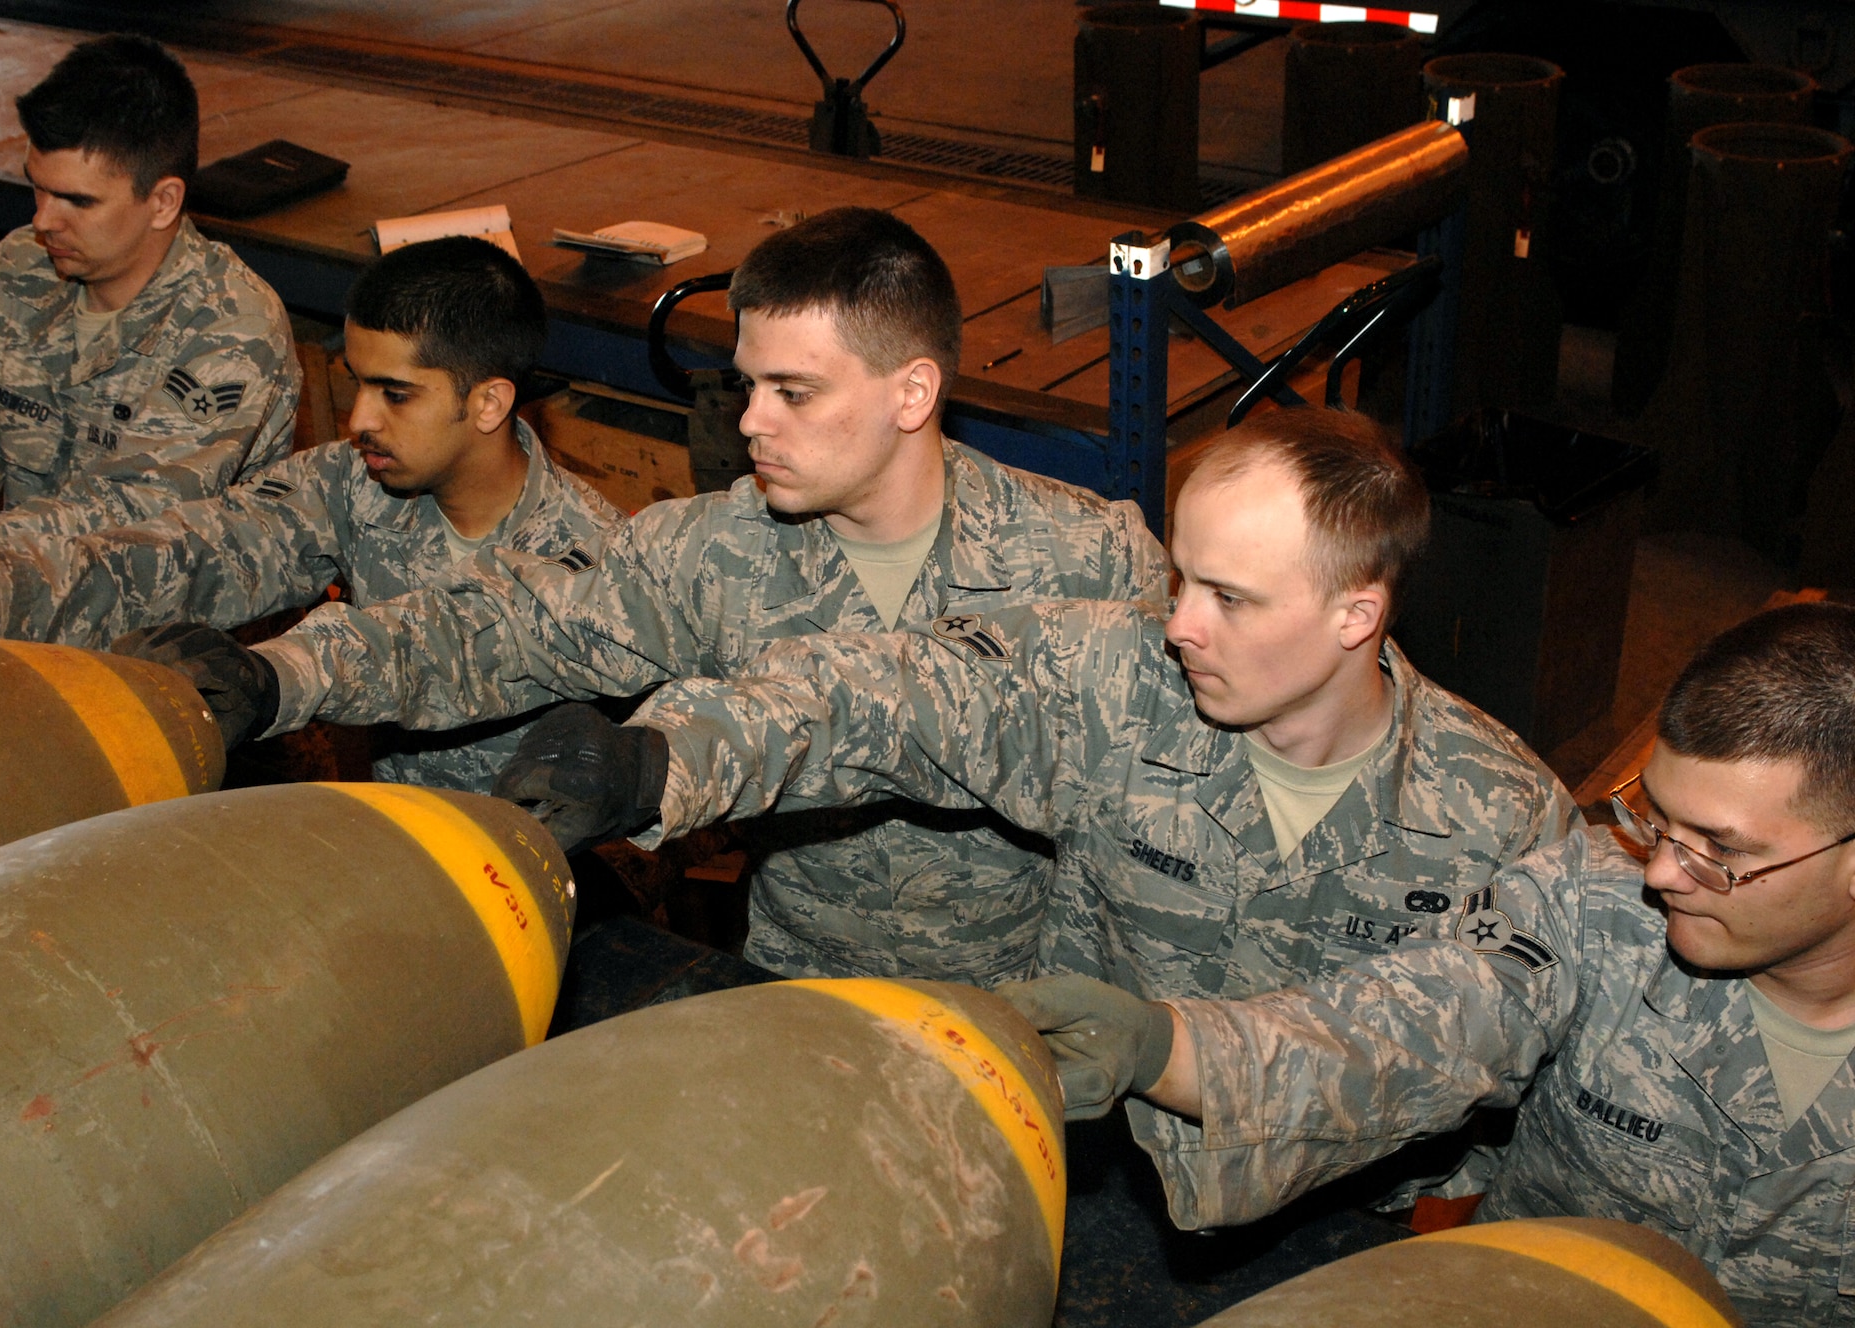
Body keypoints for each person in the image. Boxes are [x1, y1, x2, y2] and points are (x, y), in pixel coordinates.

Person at [503, 405, 1578, 1198]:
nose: (1177, 623)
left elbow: (1475, 1063)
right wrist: (661, 759)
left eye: (1228, 597)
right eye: (1179, 578)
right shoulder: (1110, 681)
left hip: (1340, 1221)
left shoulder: (1500, 816)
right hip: (1087, 1160)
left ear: (1356, 613)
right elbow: (898, 692)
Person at [116, 206, 1170, 984]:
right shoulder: (712, 551)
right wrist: (281, 672)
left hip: (1029, 1017)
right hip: (798, 993)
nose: (751, 422)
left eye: (792, 393)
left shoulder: (1089, 558)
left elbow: (1170, 826)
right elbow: (499, 624)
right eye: (747, 384)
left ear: (911, 391)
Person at [1005, 602, 1855, 1325]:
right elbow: (1403, 1025)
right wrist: (1162, 1046)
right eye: (1658, 818)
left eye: (1720, 851)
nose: (1663, 870)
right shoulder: (1591, 903)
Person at [0, 236, 620, 790]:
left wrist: (277, 675)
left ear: (489, 402)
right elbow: (208, 544)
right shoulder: (357, 482)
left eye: (395, 394)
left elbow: (436, 650)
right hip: (394, 832)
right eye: (356, 385)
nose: (360, 420)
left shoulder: (590, 556)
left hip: (543, 874)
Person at [0, 34, 297, 572]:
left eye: (77, 200)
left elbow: (115, 530)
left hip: (146, 637)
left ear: (162, 202)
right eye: (37, 188)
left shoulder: (234, 327)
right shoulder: (23, 267)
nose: (43, 220)